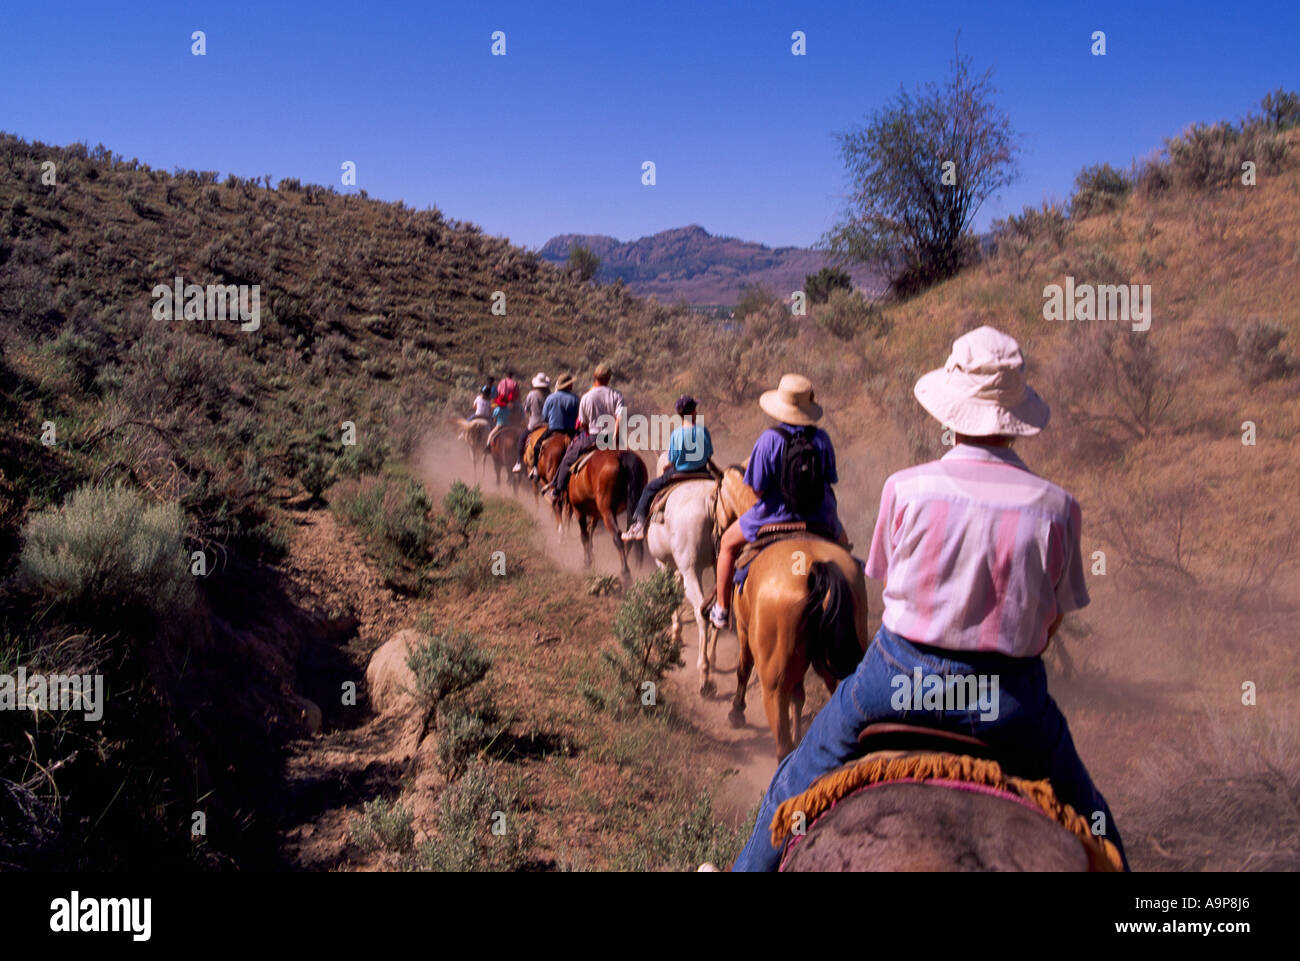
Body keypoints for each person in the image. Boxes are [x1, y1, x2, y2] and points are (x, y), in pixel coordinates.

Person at [730, 326, 1127, 872]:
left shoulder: (907, 488)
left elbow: (890, 587)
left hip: (896, 680)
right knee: (1098, 823)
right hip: (1008, 700)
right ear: (1015, 420)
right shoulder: (1058, 508)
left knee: (792, 784)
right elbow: (1051, 620)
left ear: (950, 412)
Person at [708, 373, 846, 629]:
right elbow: (830, 480)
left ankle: (722, 610)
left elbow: (757, 489)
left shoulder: (769, 439)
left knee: (727, 543)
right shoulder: (822, 439)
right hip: (819, 515)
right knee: (845, 552)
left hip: (774, 515)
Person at [622, 395, 714, 541]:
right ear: (691, 413)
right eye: (695, 410)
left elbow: (673, 459)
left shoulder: (676, 434)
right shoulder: (704, 431)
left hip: (680, 472)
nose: (696, 412)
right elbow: (709, 453)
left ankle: (639, 525)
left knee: (649, 489)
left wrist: (668, 466)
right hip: (703, 472)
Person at [546, 362, 625, 502]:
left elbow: (583, 423)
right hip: (612, 438)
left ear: (595, 377)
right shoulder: (616, 395)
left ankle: (557, 490)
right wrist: (614, 437)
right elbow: (620, 418)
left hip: (593, 437)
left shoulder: (586, 397)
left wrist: (588, 433)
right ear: (609, 378)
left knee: (568, 458)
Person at [530, 372, 580, 476]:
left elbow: (545, 416)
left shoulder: (550, 398)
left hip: (553, 429)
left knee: (537, 446)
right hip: (570, 432)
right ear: (568, 385)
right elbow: (578, 416)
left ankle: (535, 468)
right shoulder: (575, 398)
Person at [513, 372, 551, 473]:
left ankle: (518, 462)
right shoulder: (549, 395)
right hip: (548, 424)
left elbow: (526, 409)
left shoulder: (532, 394)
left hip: (534, 424)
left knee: (522, 438)